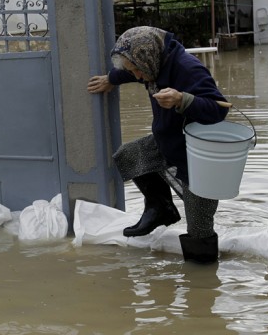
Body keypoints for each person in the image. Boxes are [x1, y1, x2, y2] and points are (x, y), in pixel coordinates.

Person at [87, 26, 228, 264]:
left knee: (199, 231)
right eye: (133, 70)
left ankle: (202, 285)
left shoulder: (187, 68)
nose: (138, 77)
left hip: (196, 159)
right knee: (129, 155)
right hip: (167, 141)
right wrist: (111, 79)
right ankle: (160, 209)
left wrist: (183, 99)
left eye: (137, 71)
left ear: (148, 58)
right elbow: (133, 72)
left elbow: (218, 108)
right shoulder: (152, 63)